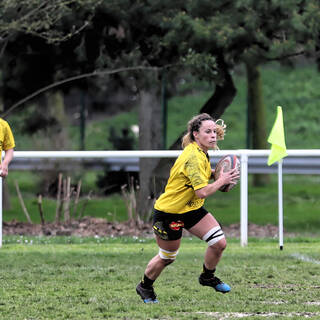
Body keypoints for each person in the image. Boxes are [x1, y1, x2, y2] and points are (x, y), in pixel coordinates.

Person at [136, 113, 240, 303]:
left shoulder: (200, 152)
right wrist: (222, 180)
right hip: (170, 213)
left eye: (214, 131)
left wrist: (216, 174)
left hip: (191, 209)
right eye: (207, 132)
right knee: (167, 257)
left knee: (219, 243)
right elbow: (201, 192)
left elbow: (201, 176)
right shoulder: (192, 156)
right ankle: (145, 286)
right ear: (195, 135)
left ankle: (207, 277)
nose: (213, 135)